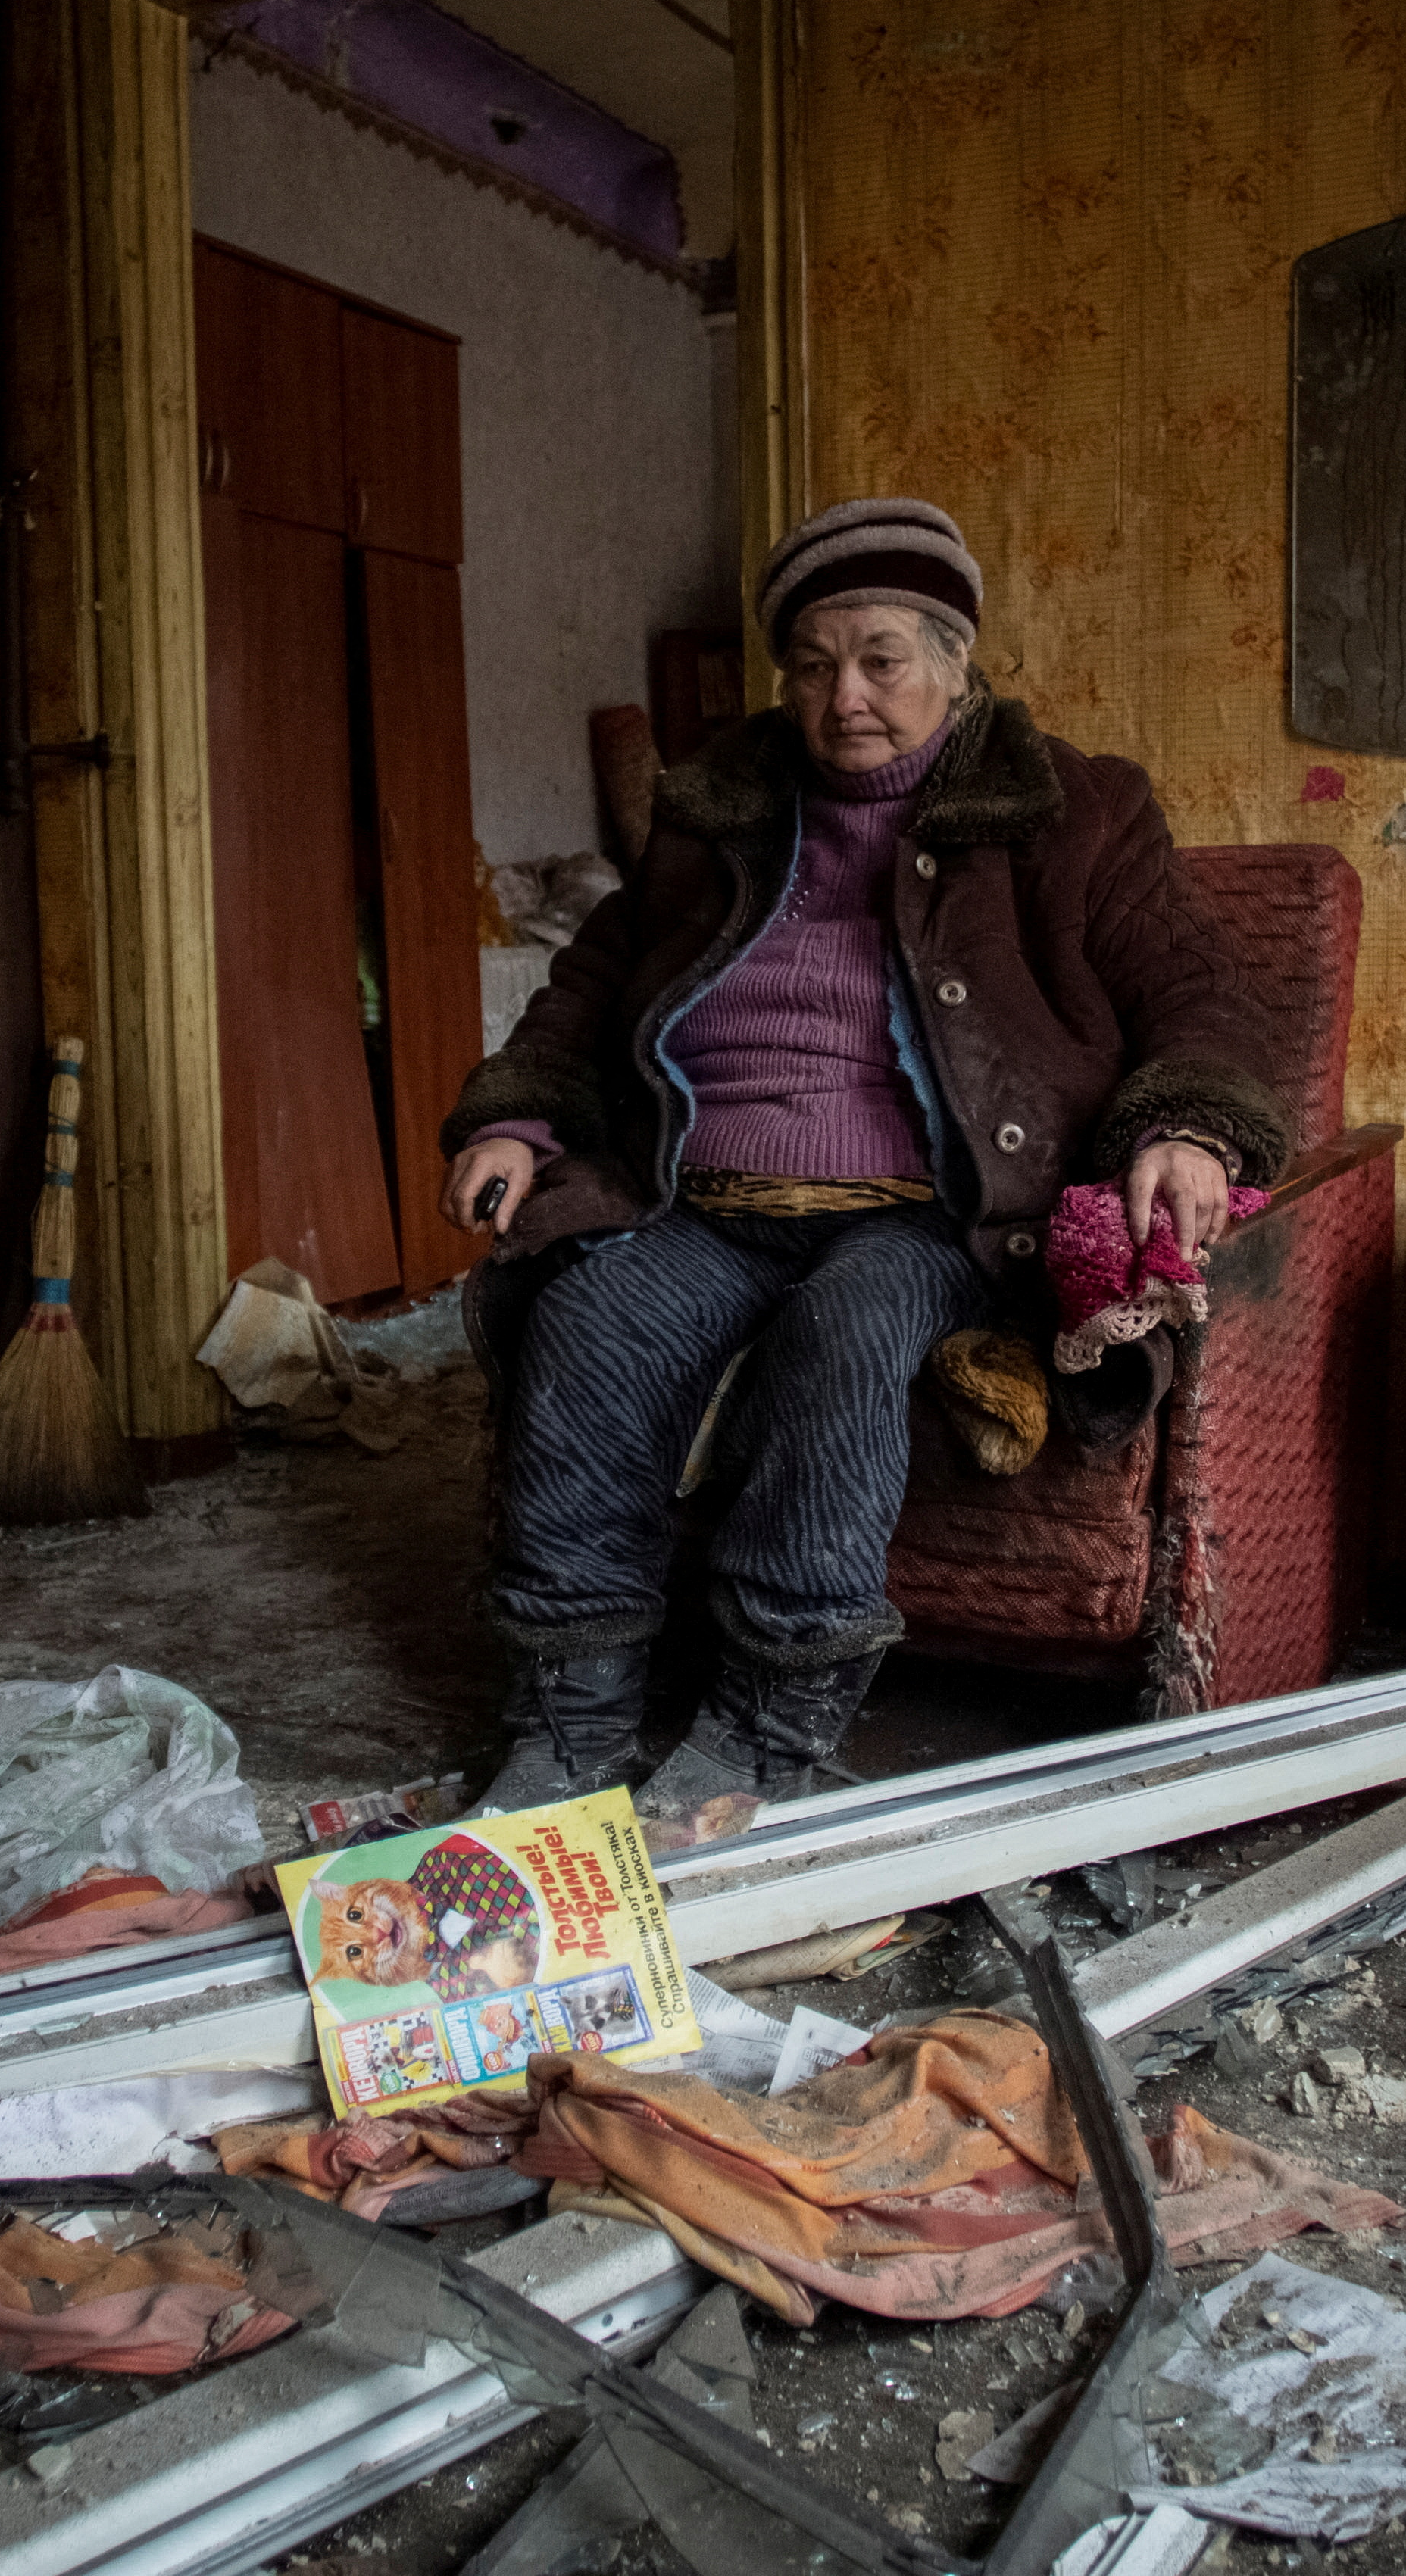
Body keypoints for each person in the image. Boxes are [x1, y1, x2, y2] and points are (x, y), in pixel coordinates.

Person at [440, 498, 1286, 1824]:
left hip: (928, 1218)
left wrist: (1185, 1126)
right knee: (593, 1321)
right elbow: (594, 978)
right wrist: (516, 1118)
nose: (846, 698)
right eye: (815, 664)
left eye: (883, 659)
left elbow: (1201, 995)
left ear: (955, 663)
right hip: (699, 1195)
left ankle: (768, 1726)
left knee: (844, 1334)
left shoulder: (1077, 811)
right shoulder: (717, 808)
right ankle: (570, 1721)